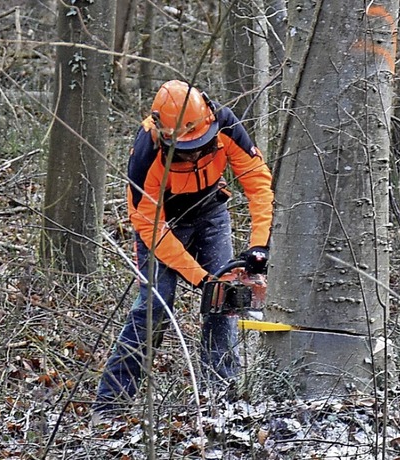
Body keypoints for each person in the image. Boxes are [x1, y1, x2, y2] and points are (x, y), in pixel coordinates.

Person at [94, 80, 274, 411]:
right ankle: (112, 404)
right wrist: (200, 277)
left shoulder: (225, 124)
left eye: (199, 144)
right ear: (164, 135)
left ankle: (219, 397)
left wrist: (259, 246)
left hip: (210, 211)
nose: (193, 151)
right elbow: (149, 224)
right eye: (185, 147)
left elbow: (258, 182)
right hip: (163, 225)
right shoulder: (145, 152)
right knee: (155, 305)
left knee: (224, 301)